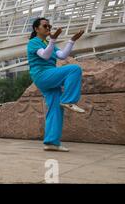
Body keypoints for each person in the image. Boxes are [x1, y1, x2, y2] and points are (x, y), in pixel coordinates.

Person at [27, 17, 85, 152]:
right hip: (42, 75)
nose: (48, 28)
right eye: (45, 26)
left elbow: (63, 55)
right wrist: (52, 40)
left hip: (49, 77)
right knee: (74, 69)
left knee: (56, 108)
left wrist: (72, 41)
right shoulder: (33, 42)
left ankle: (51, 142)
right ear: (36, 29)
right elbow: (45, 56)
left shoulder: (47, 42)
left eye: (49, 26)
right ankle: (69, 100)